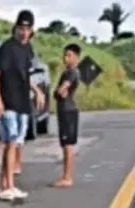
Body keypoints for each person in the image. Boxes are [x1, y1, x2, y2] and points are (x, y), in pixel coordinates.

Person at [0, 10, 45, 201]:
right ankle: (9, 185)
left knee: (14, 143)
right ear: (16, 28)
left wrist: (37, 90)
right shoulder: (8, 47)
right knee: (11, 141)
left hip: (23, 100)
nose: (24, 32)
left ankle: (5, 185)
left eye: (27, 29)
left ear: (31, 30)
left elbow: (26, 75)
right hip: (9, 100)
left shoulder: (28, 48)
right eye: (21, 28)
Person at [53, 43, 82, 187]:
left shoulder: (72, 73)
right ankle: (66, 175)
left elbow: (62, 90)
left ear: (76, 57)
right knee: (65, 144)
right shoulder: (69, 72)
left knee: (68, 145)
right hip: (65, 110)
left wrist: (60, 90)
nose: (66, 58)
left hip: (68, 110)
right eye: (65, 55)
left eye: (69, 55)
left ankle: (67, 177)